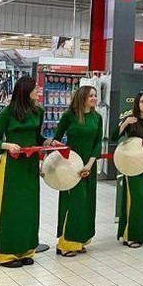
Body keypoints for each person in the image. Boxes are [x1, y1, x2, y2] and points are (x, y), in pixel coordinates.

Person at [0, 77, 52, 267]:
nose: (38, 90)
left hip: (31, 164)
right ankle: (7, 253)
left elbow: (36, 136)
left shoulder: (38, 111)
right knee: (12, 208)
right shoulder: (8, 112)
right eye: (35, 88)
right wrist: (8, 145)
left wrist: (48, 142)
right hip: (12, 165)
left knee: (30, 207)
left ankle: (26, 249)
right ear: (25, 90)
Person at [51, 86, 103, 257]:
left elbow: (98, 143)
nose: (94, 99)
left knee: (87, 202)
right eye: (91, 96)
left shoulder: (98, 117)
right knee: (73, 202)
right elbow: (56, 139)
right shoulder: (69, 116)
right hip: (71, 166)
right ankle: (66, 242)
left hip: (89, 166)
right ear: (82, 97)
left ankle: (80, 240)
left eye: (95, 96)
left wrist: (89, 165)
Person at [113, 93, 143, 248]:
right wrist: (124, 124)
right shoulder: (131, 121)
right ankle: (131, 235)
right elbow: (113, 137)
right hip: (132, 165)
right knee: (137, 198)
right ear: (137, 104)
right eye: (142, 101)